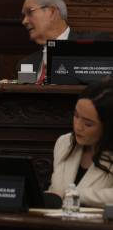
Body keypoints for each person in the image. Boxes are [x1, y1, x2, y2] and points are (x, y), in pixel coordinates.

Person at [48, 79, 113, 207]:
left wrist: (77, 194)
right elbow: (55, 191)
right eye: (76, 116)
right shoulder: (64, 142)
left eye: (88, 124)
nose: (77, 127)